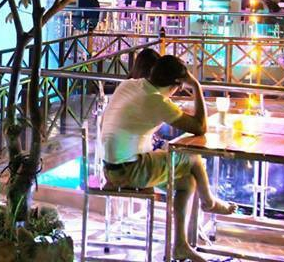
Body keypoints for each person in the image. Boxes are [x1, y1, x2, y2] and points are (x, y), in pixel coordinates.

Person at [101, 55, 235, 262]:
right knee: (191, 155)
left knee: (187, 182)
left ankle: (181, 245)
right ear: (178, 84)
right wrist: (196, 86)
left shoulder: (129, 85)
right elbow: (200, 127)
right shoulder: (156, 100)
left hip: (111, 169)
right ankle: (208, 201)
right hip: (130, 170)